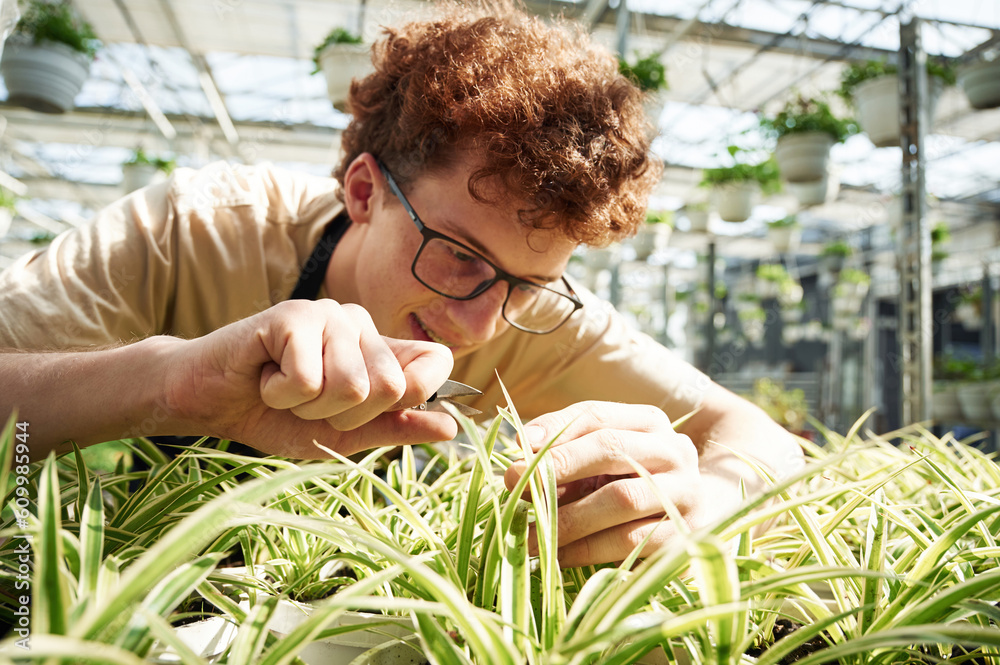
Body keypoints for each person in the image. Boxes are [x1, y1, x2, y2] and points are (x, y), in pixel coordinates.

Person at [0, 1, 802, 567]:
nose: (480, 324)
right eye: (458, 255)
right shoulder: (194, 230)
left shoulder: (538, 315)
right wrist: (177, 382)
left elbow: (755, 433)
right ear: (363, 191)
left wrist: (716, 502)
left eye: (521, 285)